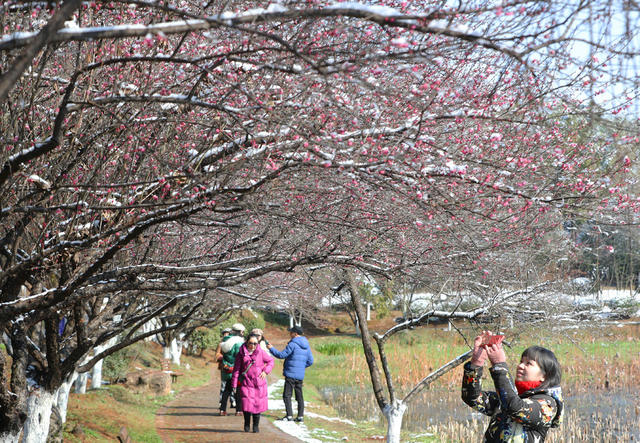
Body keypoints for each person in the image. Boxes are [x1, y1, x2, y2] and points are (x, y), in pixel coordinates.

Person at [461, 331, 564, 442]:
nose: (520, 366)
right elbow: (472, 398)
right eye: (521, 362)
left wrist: (499, 365)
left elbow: (515, 408)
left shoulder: (549, 405)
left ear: (545, 375)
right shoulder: (508, 398)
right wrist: (476, 363)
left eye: (528, 363)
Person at [267, 325, 313, 422]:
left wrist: (271, 348)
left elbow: (281, 355)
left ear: (295, 334)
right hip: (300, 375)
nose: (289, 334)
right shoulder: (306, 345)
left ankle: (289, 416)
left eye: (291, 332)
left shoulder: (292, 344)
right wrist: (300, 367)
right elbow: (310, 361)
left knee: (287, 395)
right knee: (299, 396)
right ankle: (300, 416)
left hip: (290, 374)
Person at [231, 333, 274, 433]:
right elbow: (236, 370)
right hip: (246, 383)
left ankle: (255, 426)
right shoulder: (241, 354)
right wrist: (234, 384)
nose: (253, 346)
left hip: (259, 384)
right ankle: (246, 424)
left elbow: (271, 361)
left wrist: (265, 371)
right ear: (246, 342)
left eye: (255, 343)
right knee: (247, 405)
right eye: (251, 343)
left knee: (257, 405)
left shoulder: (261, 352)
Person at [219, 323, 245, 416]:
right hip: (236, 369)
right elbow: (240, 357)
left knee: (226, 390)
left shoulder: (225, 341)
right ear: (240, 332)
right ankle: (239, 410)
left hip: (227, 368)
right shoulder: (239, 343)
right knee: (238, 389)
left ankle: (222, 409)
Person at [214, 327, 232, 409]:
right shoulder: (221, 344)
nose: (226, 335)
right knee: (224, 386)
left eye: (227, 333)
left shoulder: (234, 343)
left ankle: (233, 401)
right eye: (224, 333)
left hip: (234, 367)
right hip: (224, 367)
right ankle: (222, 403)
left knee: (234, 385)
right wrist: (223, 358)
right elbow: (217, 355)